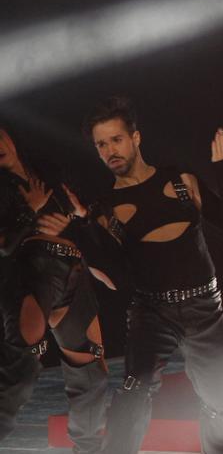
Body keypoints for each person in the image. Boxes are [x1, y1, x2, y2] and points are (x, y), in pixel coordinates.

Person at [81, 97, 223, 454]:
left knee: (222, 406)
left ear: (135, 138)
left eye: (116, 140)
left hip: (206, 308)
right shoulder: (104, 209)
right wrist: (86, 233)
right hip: (152, 313)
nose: (110, 150)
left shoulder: (181, 179)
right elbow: (114, 278)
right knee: (132, 396)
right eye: (101, 144)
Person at [0, 124, 108, 453]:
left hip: (73, 270)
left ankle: (87, 449)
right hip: (31, 271)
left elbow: (86, 210)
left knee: (90, 367)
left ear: (7, 135)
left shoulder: (47, 169)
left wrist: (78, 215)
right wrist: (29, 210)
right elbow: (3, 246)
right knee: (22, 365)